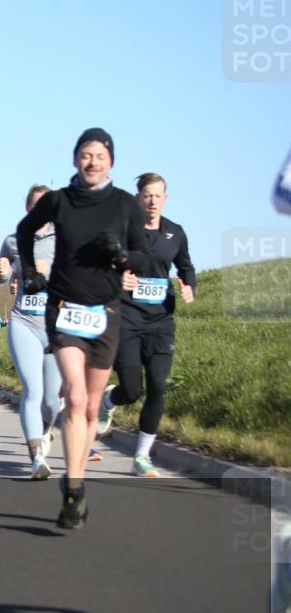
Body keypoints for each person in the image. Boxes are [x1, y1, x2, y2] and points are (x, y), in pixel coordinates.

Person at [16, 128, 149, 528]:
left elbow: (143, 257)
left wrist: (123, 256)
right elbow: (25, 230)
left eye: (100, 155)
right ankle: (73, 491)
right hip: (64, 307)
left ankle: (77, 479)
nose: (93, 162)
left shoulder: (125, 204)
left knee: (91, 405)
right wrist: (31, 272)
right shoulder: (59, 201)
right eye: (86, 155)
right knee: (74, 398)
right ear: (75, 160)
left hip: (106, 313)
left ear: (111, 161)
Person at [96, 173, 196, 477]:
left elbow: (186, 266)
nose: (152, 201)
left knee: (158, 385)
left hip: (161, 321)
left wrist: (189, 285)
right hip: (128, 317)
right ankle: (110, 399)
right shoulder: (125, 231)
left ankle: (141, 456)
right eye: (147, 195)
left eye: (157, 195)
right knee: (132, 388)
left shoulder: (175, 233)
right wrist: (118, 277)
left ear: (165, 198)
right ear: (138, 198)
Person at [0, 184, 61, 479]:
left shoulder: (65, 240)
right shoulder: (13, 240)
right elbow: (1, 275)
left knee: (50, 400)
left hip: (56, 325)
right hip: (24, 321)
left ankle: (46, 430)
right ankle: (36, 458)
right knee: (32, 391)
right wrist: (4, 270)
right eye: (37, 205)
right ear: (28, 208)